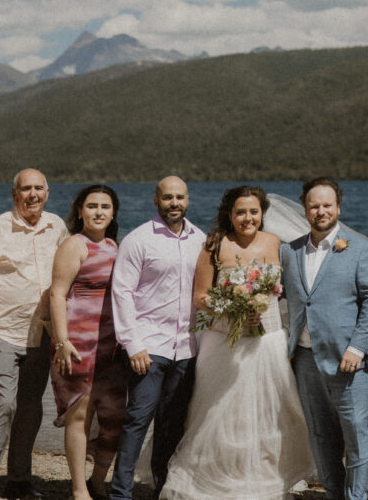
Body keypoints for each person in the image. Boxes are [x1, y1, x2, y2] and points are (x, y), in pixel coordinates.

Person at [162, 186, 314, 499]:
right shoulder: (215, 244)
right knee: (220, 414)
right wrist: (234, 308)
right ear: (230, 214)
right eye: (241, 212)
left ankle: (263, 476)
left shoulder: (275, 242)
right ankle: (218, 476)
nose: (248, 218)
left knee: (270, 413)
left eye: (254, 211)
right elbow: (201, 297)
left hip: (268, 342)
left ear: (263, 213)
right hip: (224, 344)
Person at [279, 177, 368, 500]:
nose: (321, 211)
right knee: (319, 435)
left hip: (349, 360)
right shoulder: (289, 250)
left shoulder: (361, 248)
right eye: (314, 205)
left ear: (338, 207)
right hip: (305, 358)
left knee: (355, 435)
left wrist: (357, 346)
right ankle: (333, 494)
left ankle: (356, 497)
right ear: (305, 209)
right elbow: (280, 294)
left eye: (327, 205)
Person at [0, 169, 68, 500]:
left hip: (43, 334)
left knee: (30, 408)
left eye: (38, 188)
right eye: (25, 189)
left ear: (47, 191)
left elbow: (67, 274)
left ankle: (19, 479)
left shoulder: (57, 225)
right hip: (5, 331)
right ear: (15, 194)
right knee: (2, 407)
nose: (32, 194)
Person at [109, 176, 205, 499]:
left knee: (172, 424)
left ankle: (162, 487)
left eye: (179, 197)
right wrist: (133, 345)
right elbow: (121, 292)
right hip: (148, 348)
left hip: (186, 347)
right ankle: (120, 492)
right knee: (137, 421)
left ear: (188, 200)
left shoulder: (200, 240)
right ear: (156, 200)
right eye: (167, 197)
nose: (174, 203)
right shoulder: (138, 240)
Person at [48, 185, 129, 500]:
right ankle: (79, 489)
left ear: (113, 213)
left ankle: (98, 479)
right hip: (77, 343)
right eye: (92, 206)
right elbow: (57, 292)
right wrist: (62, 341)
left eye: (105, 207)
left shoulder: (113, 246)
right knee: (79, 414)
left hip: (112, 348)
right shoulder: (73, 244)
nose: (98, 212)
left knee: (114, 419)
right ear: (80, 211)